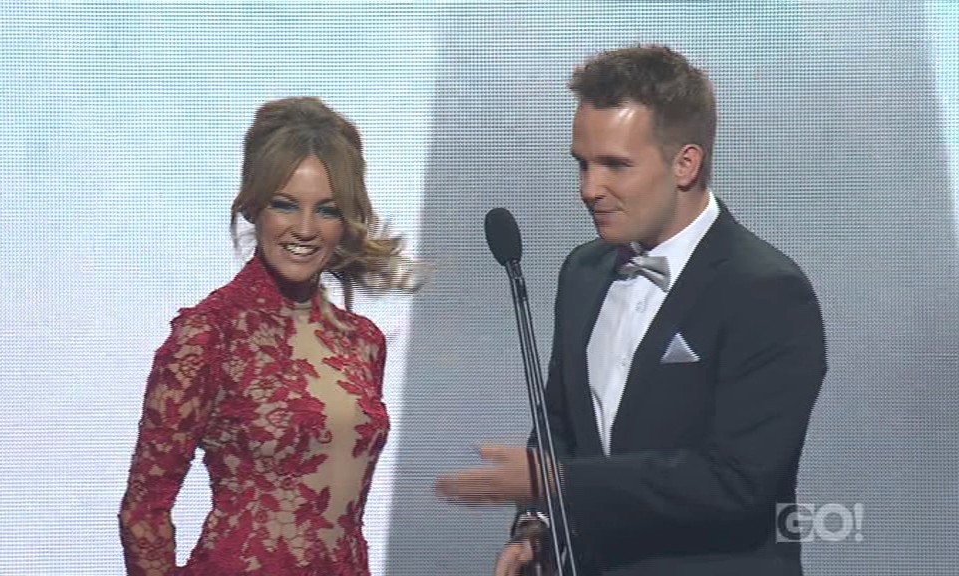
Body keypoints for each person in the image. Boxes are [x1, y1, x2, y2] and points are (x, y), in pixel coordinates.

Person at [436, 45, 827, 576]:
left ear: (685, 163)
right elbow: (560, 428)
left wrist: (559, 482)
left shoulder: (766, 291)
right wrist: (537, 526)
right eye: (582, 163)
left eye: (615, 165)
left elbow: (737, 481)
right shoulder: (583, 272)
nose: (589, 189)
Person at [119, 97, 417, 576]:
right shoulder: (210, 335)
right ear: (254, 205)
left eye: (327, 210)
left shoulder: (362, 342)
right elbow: (143, 510)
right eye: (285, 205)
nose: (305, 229)